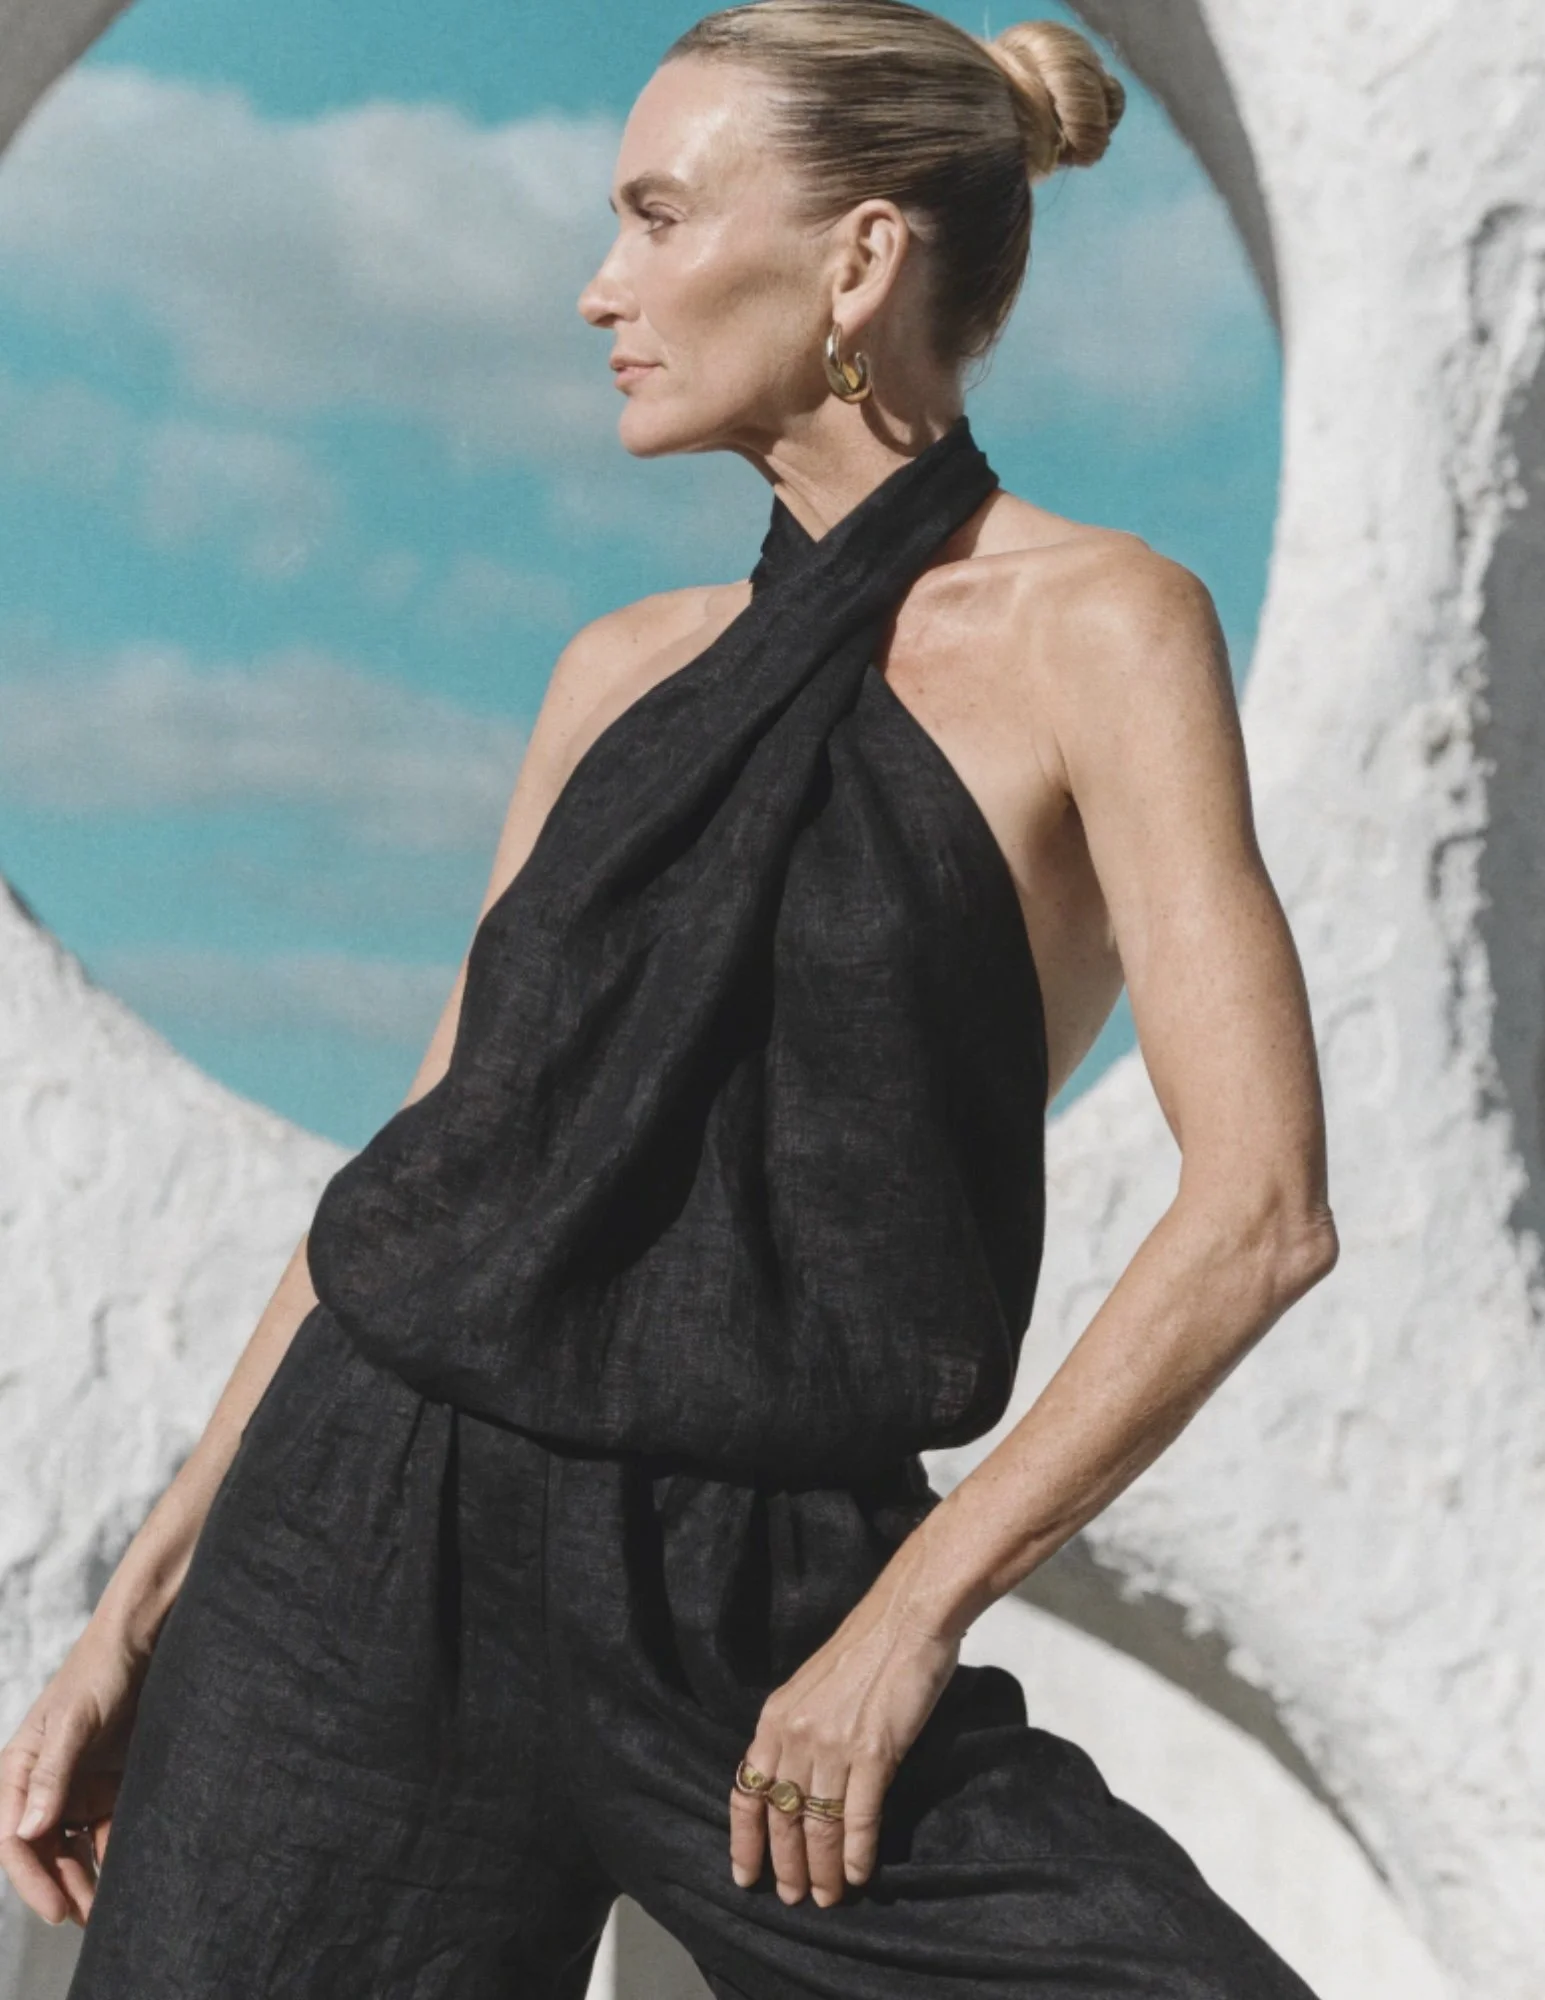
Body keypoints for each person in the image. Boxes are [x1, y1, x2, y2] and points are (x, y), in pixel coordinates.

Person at [0, 3, 1340, 1994]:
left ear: (858, 260)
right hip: (360, 1561)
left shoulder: (1100, 629)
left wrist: (911, 1615)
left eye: (653, 215)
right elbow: (431, 1160)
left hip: (767, 1598)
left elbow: (1258, 1212)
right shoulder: (615, 673)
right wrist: (150, 1590)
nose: (593, 285)